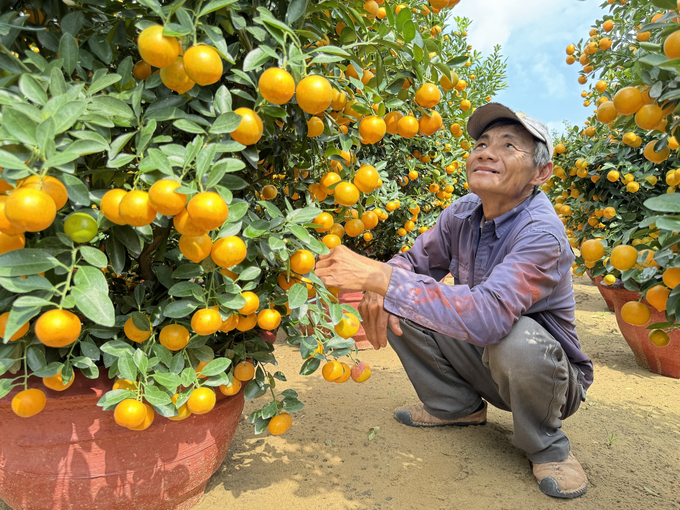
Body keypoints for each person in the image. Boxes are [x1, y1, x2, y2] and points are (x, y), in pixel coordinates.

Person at [315, 102, 593, 500]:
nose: (486, 151)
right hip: (485, 357)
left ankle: (548, 445)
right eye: (481, 143)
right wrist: (386, 286)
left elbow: (490, 316)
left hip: (547, 377)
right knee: (402, 299)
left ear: (541, 172)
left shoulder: (542, 233)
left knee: (517, 338)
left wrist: (379, 277)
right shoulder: (462, 212)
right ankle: (456, 407)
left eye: (508, 146)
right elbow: (413, 263)